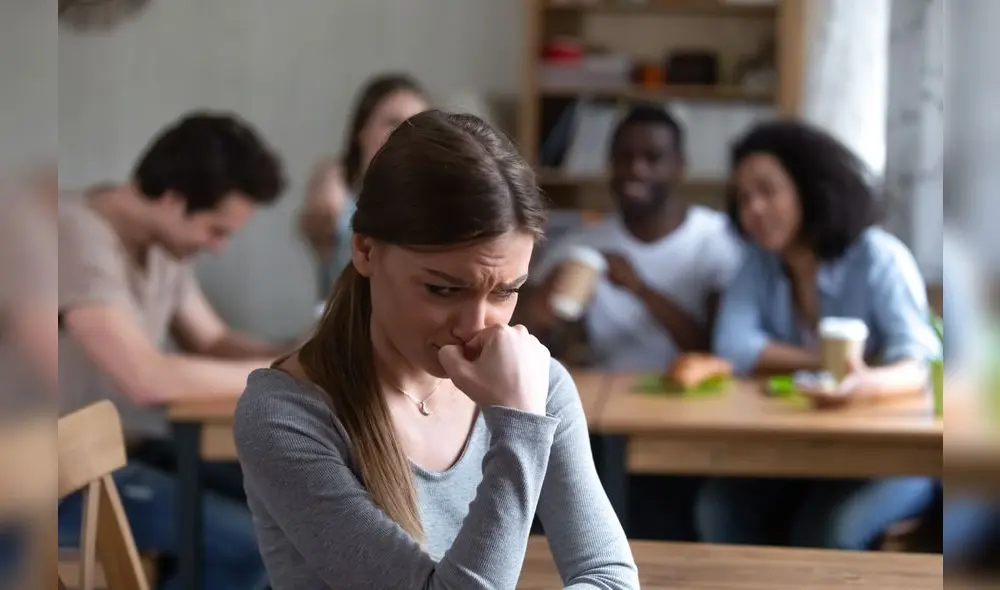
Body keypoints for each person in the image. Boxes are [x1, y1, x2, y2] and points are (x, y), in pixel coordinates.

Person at [234, 110, 638, 589]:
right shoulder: (285, 414)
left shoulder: (536, 384)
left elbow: (607, 575)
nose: (475, 326)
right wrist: (520, 429)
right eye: (443, 290)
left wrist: (523, 415)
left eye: (506, 292)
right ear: (364, 250)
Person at [57, 112, 288, 590]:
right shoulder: (73, 234)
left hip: (113, 454)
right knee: (253, 547)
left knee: (284, 506)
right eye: (215, 230)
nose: (219, 247)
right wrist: (291, 373)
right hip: (47, 482)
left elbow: (212, 342)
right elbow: (147, 379)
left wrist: (306, 350)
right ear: (172, 198)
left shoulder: (163, 244)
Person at [697, 120, 941, 549]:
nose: (753, 209)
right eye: (743, 198)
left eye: (767, 191)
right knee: (718, 510)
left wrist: (866, 383)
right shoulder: (759, 263)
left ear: (808, 187)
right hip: (796, 452)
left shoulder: (877, 257)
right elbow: (732, 348)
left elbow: (920, 361)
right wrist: (826, 365)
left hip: (890, 457)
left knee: (827, 530)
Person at [519, 104, 742, 541]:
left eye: (652, 158)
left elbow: (715, 349)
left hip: (688, 415)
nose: (635, 169)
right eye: (624, 157)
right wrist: (546, 306)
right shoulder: (586, 242)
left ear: (679, 168)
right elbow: (527, 327)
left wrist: (639, 288)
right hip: (600, 418)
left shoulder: (714, 240)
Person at [298, 73, 429, 299]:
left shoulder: (434, 202)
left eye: (417, 124)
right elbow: (316, 223)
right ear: (363, 130)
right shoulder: (335, 190)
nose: (406, 135)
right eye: (393, 123)